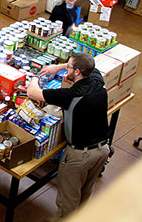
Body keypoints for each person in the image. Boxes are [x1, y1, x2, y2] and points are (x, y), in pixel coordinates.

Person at [27, 52, 109, 219]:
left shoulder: (71, 95)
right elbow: (88, 67)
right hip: (102, 150)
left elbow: (32, 93)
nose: (66, 71)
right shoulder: (96, 79)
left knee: (68, 202)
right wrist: (58, 67)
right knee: (85, 194)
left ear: (77, 71)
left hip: (80, 156)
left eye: (69, 67)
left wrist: (34, 77)